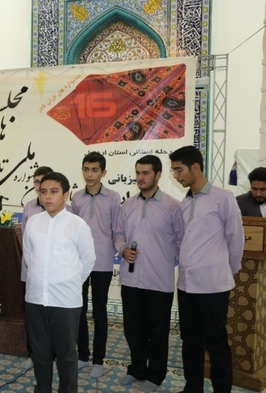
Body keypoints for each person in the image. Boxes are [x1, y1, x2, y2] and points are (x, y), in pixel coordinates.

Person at [169, 145, 244, 393]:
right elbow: (183, 241)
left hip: (213, 285)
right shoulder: (185, 202)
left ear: (195, 167)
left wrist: (226, 272)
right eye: (173, 171)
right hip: (186, 284)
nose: (176, 176)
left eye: (179, 170)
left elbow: (236, 239)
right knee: (190, 341)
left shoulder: (223, 198)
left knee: (216, 343)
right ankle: (193, 388)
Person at [113, 155, 184, 392]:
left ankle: (155, 375)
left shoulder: (173, 206)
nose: (140, 178)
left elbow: (181, 241)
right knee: (133, 328)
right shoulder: (127, 205)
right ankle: (136, 370)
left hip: (159, 280)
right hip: (131, 279)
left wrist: (162, 260)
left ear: (158, 175)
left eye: (145, 173)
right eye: (138, 173)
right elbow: (119, 234)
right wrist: (123, 249)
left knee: (158, 331)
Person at [24, 172, 95, 393]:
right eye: (43, 192)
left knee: (66, 355)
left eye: (54, 192)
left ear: (65, 195)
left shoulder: (77, 224)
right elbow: (28, 256)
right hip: (35, 298)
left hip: (65, 301)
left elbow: (88, 260)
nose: (48, 197)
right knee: (40, 353)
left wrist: (69, 282)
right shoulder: (33, 223)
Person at [71, 151, 121, 378]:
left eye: (94, 170)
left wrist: (120, 249)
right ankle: (83, 356)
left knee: (100, 311)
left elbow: (117, 229)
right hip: (79, 263)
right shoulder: (76, 198)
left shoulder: (113, 197)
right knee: (79, 310)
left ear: (103, 172)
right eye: (85, 169)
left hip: (102, 261)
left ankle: (99, 360)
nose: (89, 174)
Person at [19, 165, 60, 370]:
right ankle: (33, 354)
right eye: (36, 182)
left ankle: (53, 356)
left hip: (55, 276)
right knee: (33, 318)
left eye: (43, 182)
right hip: (31, 274)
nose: (39, 186)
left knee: (53, 319)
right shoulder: (29, 207)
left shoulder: (66, 210)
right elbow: (26, 241)